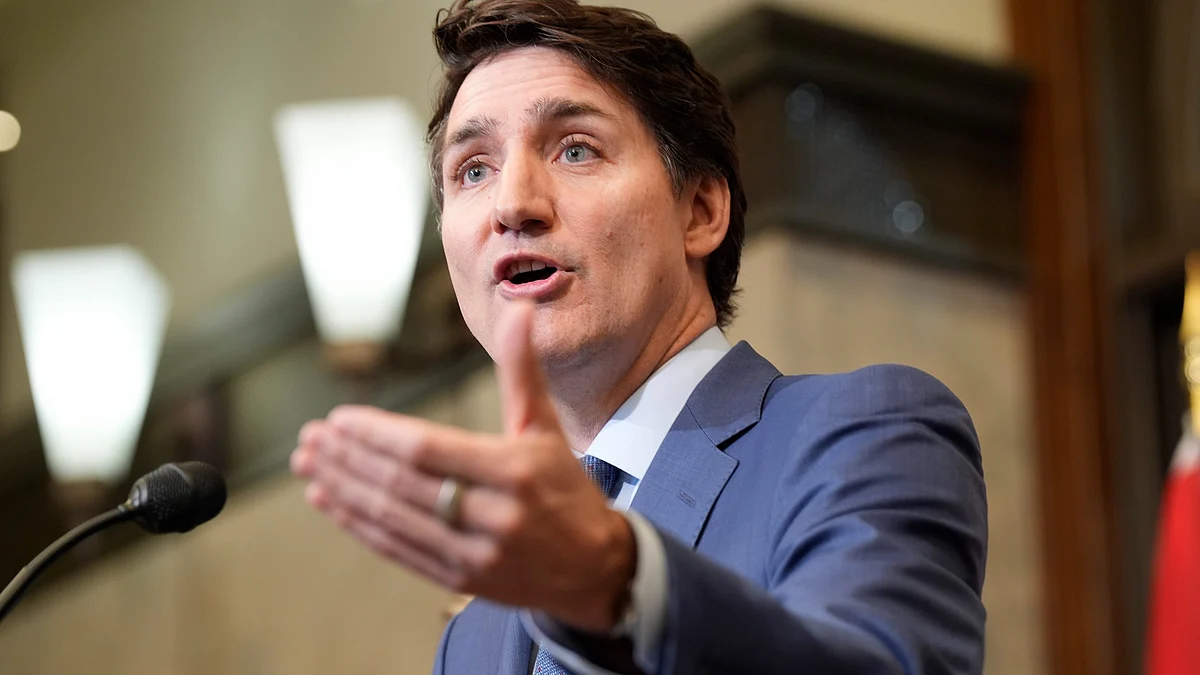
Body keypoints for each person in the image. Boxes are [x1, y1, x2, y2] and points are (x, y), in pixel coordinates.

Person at [289, 0, 988, 673]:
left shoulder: (865, 431)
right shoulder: (473, 633)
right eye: (474, 169)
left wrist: (621, 584)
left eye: (575, 150)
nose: (511, 204)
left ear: (701, 211)